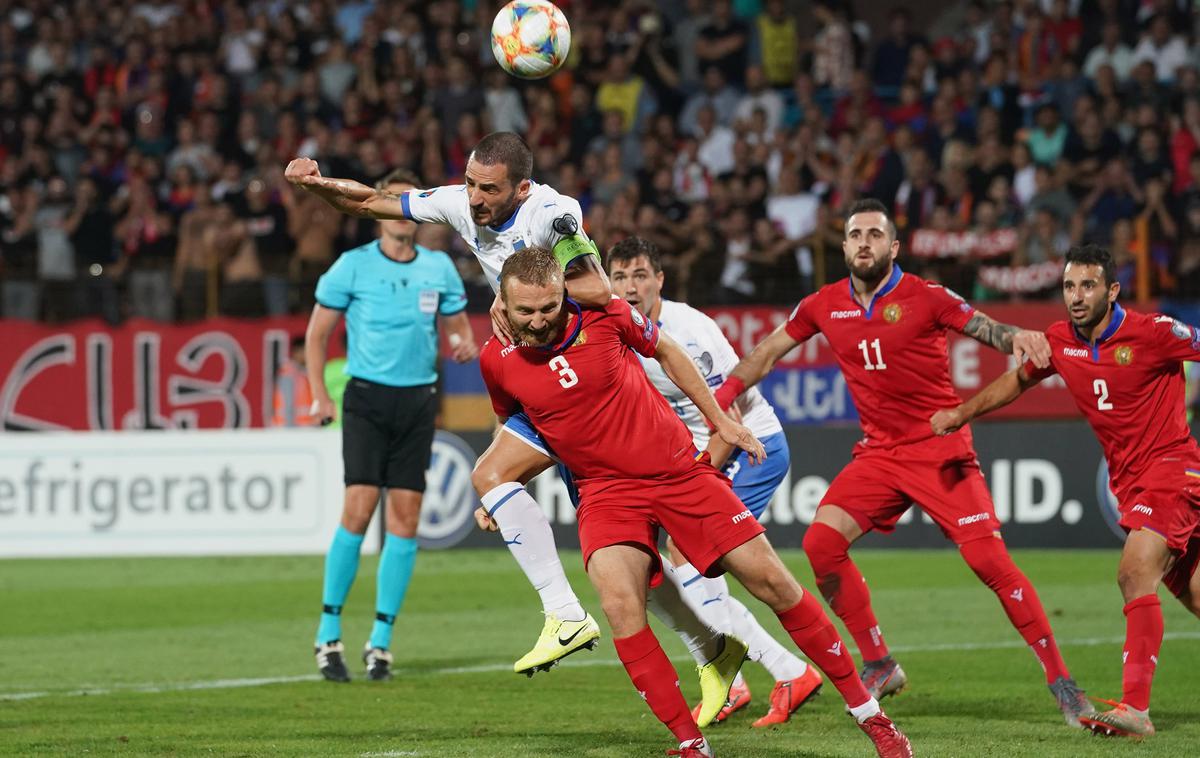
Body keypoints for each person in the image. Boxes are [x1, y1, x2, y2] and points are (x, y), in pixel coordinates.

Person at [479, 246, 912, 758]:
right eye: (524, 312)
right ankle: (692, 744)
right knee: (620, 606)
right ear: (502, 306)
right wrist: (503, 491)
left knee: (772, 581)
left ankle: (871, 716)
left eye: (547, 308)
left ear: (562, 294)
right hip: (606, 492)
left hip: (678, 472)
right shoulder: (496, 358)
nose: (537, 321)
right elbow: (518, 422)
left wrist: (720, 420)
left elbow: (669, 352)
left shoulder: (605, 315)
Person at [711, 198, 1095, 727]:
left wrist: (1020, 337)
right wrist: (721, 400)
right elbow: (767, 353)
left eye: (874, 234)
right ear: (843, 246)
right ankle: (879, 663)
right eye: (855, 234)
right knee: (821, 545)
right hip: (879, 455)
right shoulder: (824, 303)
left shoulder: (926, 296)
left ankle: (1063, 683)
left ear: (894, 247)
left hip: (939, 448)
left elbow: (987, 329)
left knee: (990, 564)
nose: (864, 242)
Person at [287, 132, 611, 674]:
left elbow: (597, 289)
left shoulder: (550, 215)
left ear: (521, 188)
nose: (475, 198)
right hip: (416, 393)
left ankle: (721, 638)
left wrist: (511, 301)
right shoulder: (440, 217)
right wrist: (317, 184)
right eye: (469, 184)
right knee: (458, 489)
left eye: (488, 189)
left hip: (577, 379)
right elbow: (365, 201)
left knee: (620, 547)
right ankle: (332, 632)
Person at [931, 244, 1200, 739]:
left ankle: (1135, 711)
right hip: (1130, 482)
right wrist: (960, 413)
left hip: (1173, 471)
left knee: (1134, 570)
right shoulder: (1060, 340)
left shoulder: (1154, 332)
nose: (1076, 297)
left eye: (1088, 286)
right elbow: (1017, 382)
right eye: (1070, 286)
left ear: (1112, 290)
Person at [607, 236, 821, 728]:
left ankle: (742, 680)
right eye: (619, 277)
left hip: (748, 447)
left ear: (660, 279)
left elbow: (732, 407)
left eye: (640, 275)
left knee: (687, 558)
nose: (630, 287)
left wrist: (701, 475)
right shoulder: (617, 330)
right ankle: (779, 673)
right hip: (693, 458)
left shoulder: (690, 330)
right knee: (670, 565)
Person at [304, 168, 479, 682]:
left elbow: (457, 329)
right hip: (366, 399)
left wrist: (463, 343)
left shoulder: (439, 268)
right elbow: (316, 336)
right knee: (358, 509)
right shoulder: (352, 267)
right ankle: (328, 634)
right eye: (395, 201)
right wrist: (318, 394)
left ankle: (380, 642)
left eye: (411, 202)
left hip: (417, 400)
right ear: (379, 208)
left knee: (405, 520)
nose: (403, 211)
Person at [272, 334, 314, 427]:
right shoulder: (288, 374)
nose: (309, 354)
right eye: (305, 350)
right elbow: (288, 404)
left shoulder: (302, 373)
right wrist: (290, 432)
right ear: (296, 351)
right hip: (290, 429)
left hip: (303, 428)